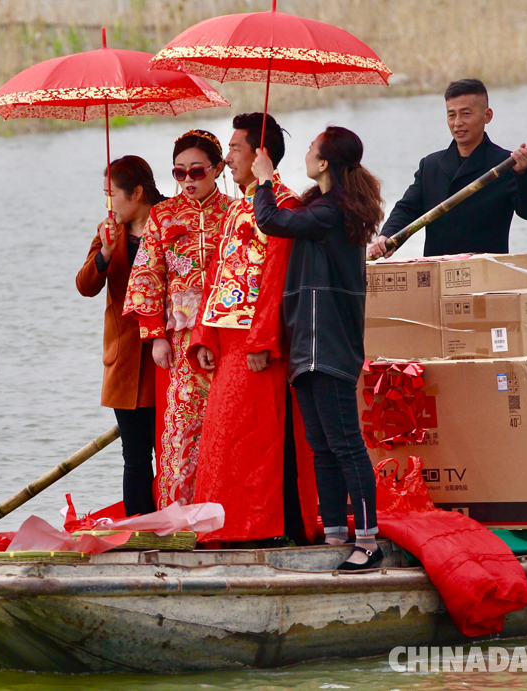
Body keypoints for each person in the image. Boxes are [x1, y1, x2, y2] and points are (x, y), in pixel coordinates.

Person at [252, 126, 384, 570]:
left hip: (328, 345)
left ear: (325, 163)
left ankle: (368, 540)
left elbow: (270, 221)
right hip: (307, 344)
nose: (307, 154)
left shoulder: (332, 211)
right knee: (321, 445)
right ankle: (334, 534)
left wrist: (265, 179)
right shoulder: (323, 208)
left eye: (311, 150)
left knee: (345, 443)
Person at [189, 113, 319, 546]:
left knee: (253, 438)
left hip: (256, 340)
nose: (227, 158)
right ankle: (229, 526)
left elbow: (278, 278)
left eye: (234, 149)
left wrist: (264, 338)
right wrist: (203, 335)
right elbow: (216, 274)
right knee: (225, 436)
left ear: (259, 154)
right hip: (226, 338)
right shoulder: (237, 206)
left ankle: (256, 528)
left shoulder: (283, 204)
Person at [123, 130, 231, 508]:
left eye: (197, 171)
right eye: (179, 172)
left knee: (226, 426)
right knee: (182, 428)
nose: (187, 180)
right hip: (180, 344)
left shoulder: (235, 213)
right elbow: (146, 277)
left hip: (228, 339)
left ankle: (227, 516)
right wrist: (155, 336)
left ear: (217, 169)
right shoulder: (161, 216)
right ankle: (181, 516)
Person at [76, 156, 165, 516]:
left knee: (175, 451)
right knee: (136, 456)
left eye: (113, 194)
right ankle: (141, 531)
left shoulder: (171, 224)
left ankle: (181, 525)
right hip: (126, 360)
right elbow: (85, 286)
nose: (108, 204)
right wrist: (106, 252)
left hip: (166, 355)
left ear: (138, 192)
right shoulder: (109, 232)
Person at [369, 78, 527, 259]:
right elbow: (407, 208)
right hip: (437, 274)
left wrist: (524, 173)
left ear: (487, 115)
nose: (457, 123)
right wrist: (388, 237)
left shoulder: (506, 164)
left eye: (466, 114)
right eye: (451, 115)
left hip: (486, 274)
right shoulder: (431, 165)